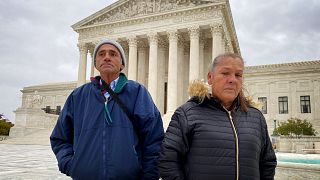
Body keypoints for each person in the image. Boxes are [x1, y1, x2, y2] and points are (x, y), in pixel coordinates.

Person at [50, 39, 164, 180]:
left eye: (113, 54)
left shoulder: (137, 92)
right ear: (96, 63)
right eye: (101, 54)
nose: (107, 57)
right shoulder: (78, 96)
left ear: (122, 64)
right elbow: (59, 138)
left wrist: (149, 176)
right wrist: (71, 165)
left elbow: (154, 139)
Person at [158, 53, 277, 180]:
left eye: (238, 75)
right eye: (225, 73)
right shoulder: (187, 113)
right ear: (210, 77)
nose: (232, 79)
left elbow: (268, 162)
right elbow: (168, 160)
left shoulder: (256, 118)